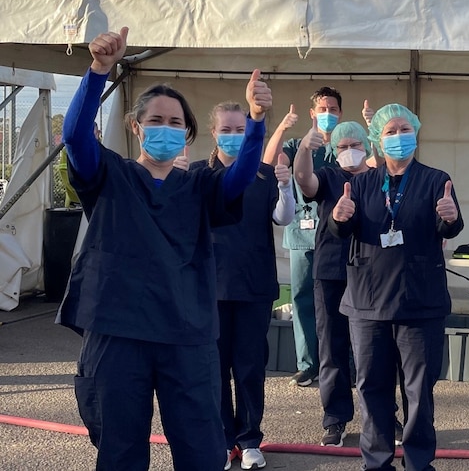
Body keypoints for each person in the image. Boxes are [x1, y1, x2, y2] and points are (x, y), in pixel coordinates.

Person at [56, 27, 272, 470]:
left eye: (175, 122)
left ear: (189, 135)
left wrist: (255, 121)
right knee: (120, 451)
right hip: (118, 333)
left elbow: (241, 178)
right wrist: (98, 71)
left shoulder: (198, 186)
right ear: (136, 128)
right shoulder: (110, 176)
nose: (165, 128)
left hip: (185, 335)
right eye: (155, 120)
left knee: (200, 451)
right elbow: (75, 138)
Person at [330, 103, 464, 471]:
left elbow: (449, 225)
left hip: (419, 301)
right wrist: (338, 219)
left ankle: (419, 462)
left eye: (405, 129)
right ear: (378, 139)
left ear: (416, 133)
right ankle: (377, 462)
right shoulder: (359, 184)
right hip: (367, 301)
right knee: (371, 388)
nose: (399, 137)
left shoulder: (436, 179)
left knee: (419, 391)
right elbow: (342, 230)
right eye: (390, 131)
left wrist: (450, 219)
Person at [187, 102, 295, 470]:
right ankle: (221, 438)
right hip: (210, 287)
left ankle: (249, 439)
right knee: (213, 368)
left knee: (249, 367)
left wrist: (286, 186)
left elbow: (283, 218)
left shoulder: (262, 174)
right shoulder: (198, 174)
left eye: (240, 130)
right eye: (227, 130)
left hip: (253, 285)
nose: (233, 136)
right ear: (213, 133)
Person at [292, 119, 372, 447]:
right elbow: (304, 180)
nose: (350, 152)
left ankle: (381, 416)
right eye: (343, 147)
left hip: (372, 272)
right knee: (332, 347)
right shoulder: (329, 175)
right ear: (333, 151)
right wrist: (304, 149)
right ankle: (335, 419)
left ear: (367, 147)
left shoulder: (378, 178)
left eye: (356, 145)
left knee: (373, 351)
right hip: (330, 270)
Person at [263, 89, 341, 387]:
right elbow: (269, 163)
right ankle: (308, 364)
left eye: (333, 108)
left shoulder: (342, 146)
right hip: (301, 233)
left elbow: (369, 166)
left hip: (334, 235)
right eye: (322, 108)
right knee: (302, 298)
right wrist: (282, 128)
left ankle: (339, 362)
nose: (328, 113)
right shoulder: (297, 145)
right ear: (312, 113)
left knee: (336, 301)